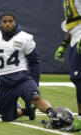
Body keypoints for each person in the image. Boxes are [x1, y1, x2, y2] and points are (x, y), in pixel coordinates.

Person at [0, 12, 56, 122]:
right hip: (4, 82)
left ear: (15, 22)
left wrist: (35, 83)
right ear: (1, 23)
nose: (7, 24)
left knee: (35, 98)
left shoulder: (25, 37)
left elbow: (34, 62)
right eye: (5, 21)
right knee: (6, 117)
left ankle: (52, 114)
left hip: (21, 78)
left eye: (10, 21)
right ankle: (27, 111)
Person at [54, 0, 81, 132]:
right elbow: (73, 24)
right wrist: (64, 44)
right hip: (75, 38)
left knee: (79, 79)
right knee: (77, 79)